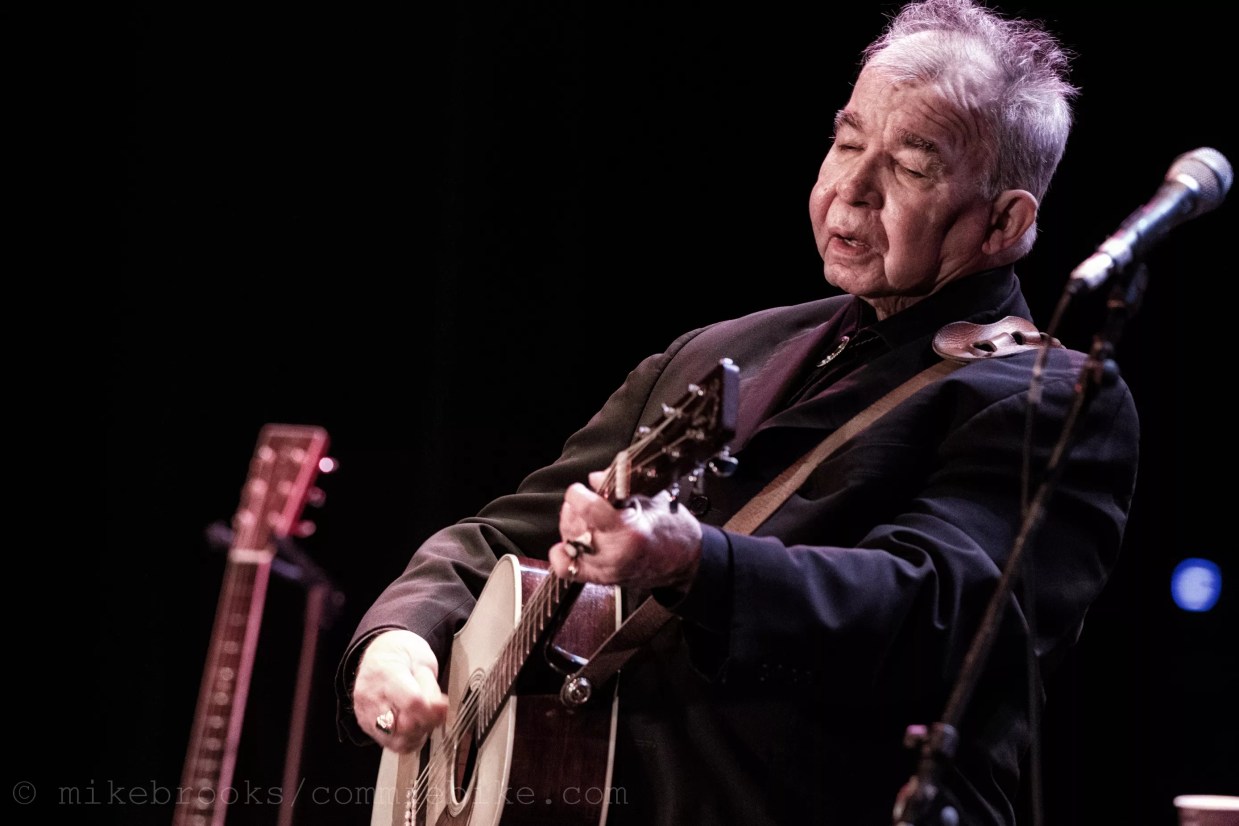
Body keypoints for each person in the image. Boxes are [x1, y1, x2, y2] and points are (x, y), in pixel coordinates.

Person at [335, 1, 1140, 823]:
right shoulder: (714, 352)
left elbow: (940, 612)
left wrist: (696, 565)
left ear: (1005, 222)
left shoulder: (1049, 397)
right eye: (846, 141)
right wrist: (401, 632)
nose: (848, 189)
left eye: (910, 165)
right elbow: (500, 539)